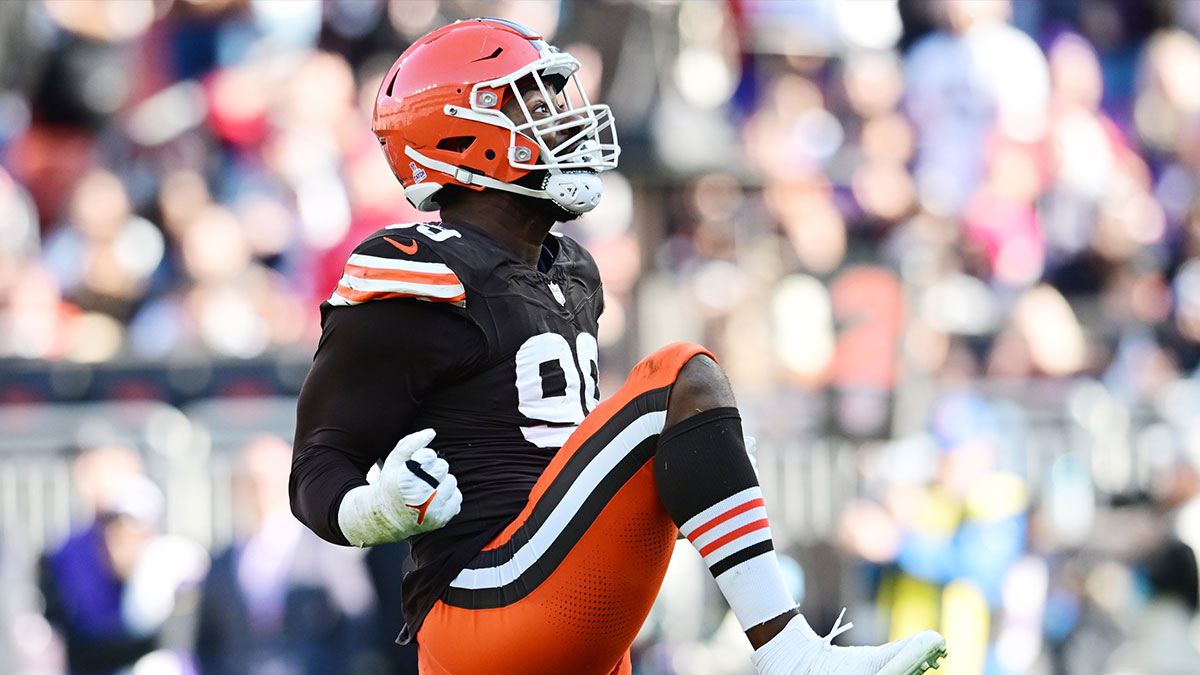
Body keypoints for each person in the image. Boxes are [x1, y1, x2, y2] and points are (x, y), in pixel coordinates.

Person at [289, 17, 947, 675]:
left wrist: (698, 462)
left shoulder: (573, 269)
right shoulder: (414, 266)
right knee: (681, 378)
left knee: (682, 422)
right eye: (536, 107)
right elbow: (318, 463)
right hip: (484, 601)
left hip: (566, 602)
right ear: (465, 134)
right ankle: (792, 653)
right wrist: (376, 508)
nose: (563, 124)